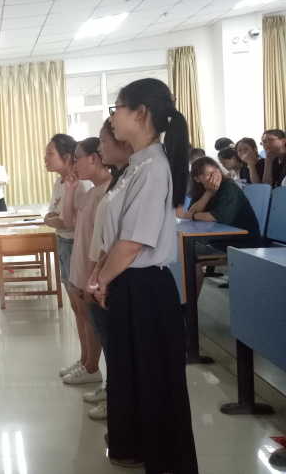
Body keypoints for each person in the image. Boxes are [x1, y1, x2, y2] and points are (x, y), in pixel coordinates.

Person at [88, 78, 197, 472]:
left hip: (146, 289)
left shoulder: (154, 168)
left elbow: (133, 242)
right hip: (128, 284)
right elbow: (116, 234)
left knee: (153, 380)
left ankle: (164, 461)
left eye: (117, 107)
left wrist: (101, 279)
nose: (113, 117)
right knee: (130, 374)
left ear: (141, 113)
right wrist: (102, 274)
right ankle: (134, 447)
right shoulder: (137, 166)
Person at [82, 120, 134, 422]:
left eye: (104, 142)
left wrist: (100, 276)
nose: (100, 149)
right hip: (104, 271)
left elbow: (129, 240)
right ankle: (114, 393)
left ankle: (118, 398)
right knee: (108, 336)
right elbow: (103, 238)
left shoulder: (141, 175)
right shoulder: (120, 179)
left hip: (119, 274)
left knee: (117, 345)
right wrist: (96, 272)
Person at [60, 137, 111, 390]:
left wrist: (94, 275)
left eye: (77, 158)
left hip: (95, 271)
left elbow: (104, 243)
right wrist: (70, 188)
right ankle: (89, 364)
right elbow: (68, 220)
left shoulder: (109, 192)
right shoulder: (92, 192)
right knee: (88, 318)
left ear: (94, 158)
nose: (74, 164)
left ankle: (97, 372)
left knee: (100, 325)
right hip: (83, 267)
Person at [43, 134, 92, 381]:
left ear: (67, 156)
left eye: (50, 154)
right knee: (76, 307)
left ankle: (91, 366)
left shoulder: (81, 184)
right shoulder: (60, 183)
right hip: (63, 243)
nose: (45, 158)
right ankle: (84, 359)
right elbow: (51, 215)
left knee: (84, 309)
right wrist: (55, 219)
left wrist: (55, 220)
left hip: (76, 246)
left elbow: (67, 221)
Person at [178, 156, 262, 292]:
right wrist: (208, 193)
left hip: (242, 240)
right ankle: (185, 300)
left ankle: (189, 304)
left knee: (189, 258)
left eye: (215, 172)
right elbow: (193, 211)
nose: (214, 177)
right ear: (197, 179)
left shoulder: (229, 187)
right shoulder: (202, 190)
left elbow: (214, 217)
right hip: (221, 239)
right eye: (208, 175)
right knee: (182, 251)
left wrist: (193, 216)